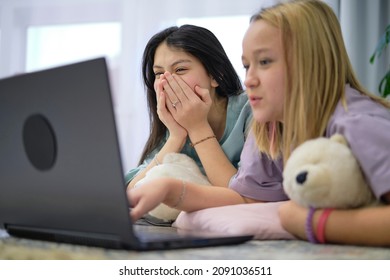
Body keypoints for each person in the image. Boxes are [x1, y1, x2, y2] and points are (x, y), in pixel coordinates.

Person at [128, 0, 390, 248]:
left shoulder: (357, 122)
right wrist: (172, 190)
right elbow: (248, 198)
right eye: (246, 66)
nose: (250, 79)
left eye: (264, 62)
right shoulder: (268, 127)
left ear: (311, 61)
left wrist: (307, 221)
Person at [125, 24, 252, 191]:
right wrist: (176, 137)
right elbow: (132, 192)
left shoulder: (251, 109)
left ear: (216, 74)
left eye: (180, 69)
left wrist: (197, 127)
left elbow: (243, 193)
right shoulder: (174, 126)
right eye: (158, 74)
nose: (166, 81)